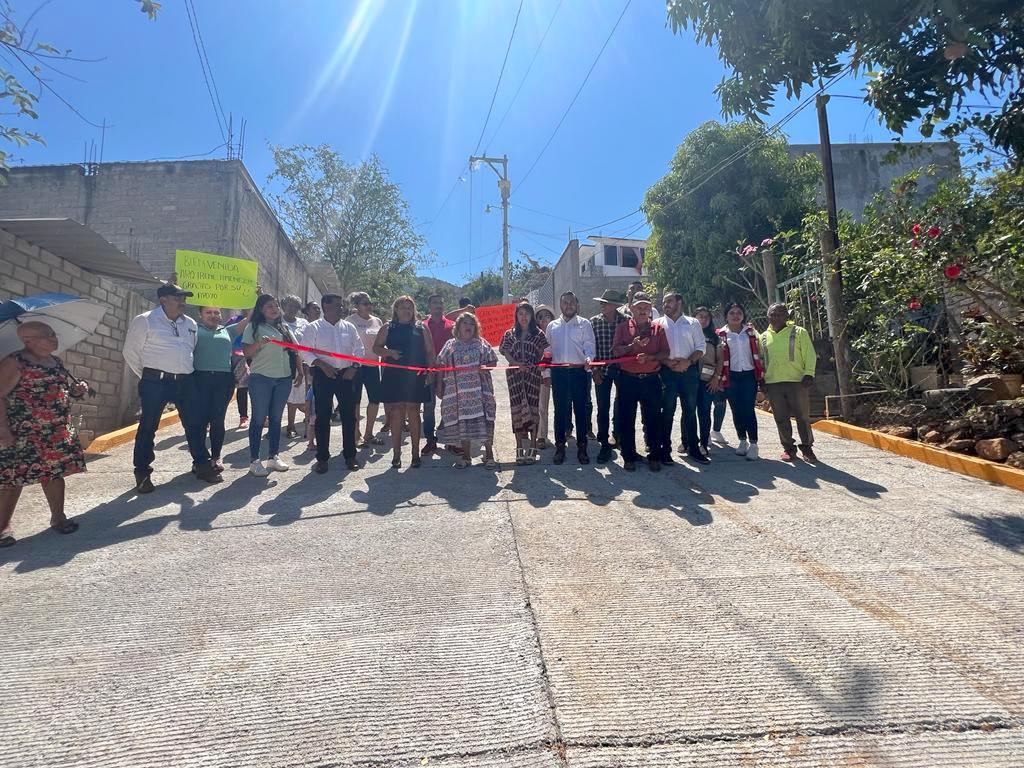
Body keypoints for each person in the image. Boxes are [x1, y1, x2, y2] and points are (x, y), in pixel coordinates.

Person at [0, 322, 87, 546]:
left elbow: (61, 390)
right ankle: (1, 527)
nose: (53, 338)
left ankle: (59, 518)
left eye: (53, 333)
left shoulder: (55, 361)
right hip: (24, 432)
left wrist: (76, 391)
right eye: (46, 335)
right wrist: (2, 429)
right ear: (28, 340)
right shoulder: (15, 362)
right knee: (13, 478)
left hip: (55, 431)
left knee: (54, 474)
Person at [124, 282, 215, 492]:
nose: (182, 302)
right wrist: (149, 376)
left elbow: (190, 349)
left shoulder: (190, 323)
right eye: (177, 298)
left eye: (184, 298)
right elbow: (130, 352)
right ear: (163, 300)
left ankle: (202, 464)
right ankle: (142, 472)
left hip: (185, 380)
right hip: (155, 382)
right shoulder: (145, 320)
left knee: (195, 424)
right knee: (148, 426)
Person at [241, 294, 303, 476]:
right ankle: (254, 461)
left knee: (276, 419)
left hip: (283, 378)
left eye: (275, 305)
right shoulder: (253, 327)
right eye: (269, 306)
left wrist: (300, 371)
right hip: (262, 378)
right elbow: (246, 352)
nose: (274, 309)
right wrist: (259, 343)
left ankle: (273, 457)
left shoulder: (284, 328)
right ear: (261, 309)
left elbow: (296, 350)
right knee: (259, 419)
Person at [300, 294, 363, 474]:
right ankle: (322, 458)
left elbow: (359, 349)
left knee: (349, 416)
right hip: (323, 374)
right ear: (326, 306)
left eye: (342, 305)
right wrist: (320, 364)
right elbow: (304, 351)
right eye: (338, 305)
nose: (342, 308)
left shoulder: (349, 327)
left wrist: (354, 367)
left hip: (346, 375)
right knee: (322, 416)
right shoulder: (313, 327)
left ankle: (350, 455)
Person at [373, 296, 436, 468]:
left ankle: (415, 454)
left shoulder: (421, 327)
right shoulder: (388, 327)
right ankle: (396, 454)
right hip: (394, 375)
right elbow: (376, 348)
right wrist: (390, 353)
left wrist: (430, 372)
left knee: (414, 412)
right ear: (396, 310)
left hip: (416, 376)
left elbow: (430, 352)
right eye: (403, 308)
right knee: (396, 412)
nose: (407, 311)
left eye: (410, 308)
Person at [188, 306, 250, 475]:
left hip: (223, 381)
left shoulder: (228, 331)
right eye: (208, 312)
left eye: (216, 312)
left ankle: (216, 457)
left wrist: (255, 298)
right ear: (200, 314)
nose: (213, 315)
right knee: (200, 422)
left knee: (217, 420)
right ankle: (199, 460)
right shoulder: (193, 330)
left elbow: (250, 319)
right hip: (200, 379)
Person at [611, 294, 670, 471]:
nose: (643, 310)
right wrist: (632, 347)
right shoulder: (622, 328)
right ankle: (628, 456)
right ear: (631, 309)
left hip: (651, 379)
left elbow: (665, 353)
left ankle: (654, 455)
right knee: (626, 418)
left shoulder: (658, 329)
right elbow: (616, 352)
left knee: (653, 419)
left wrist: (649, 357)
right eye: (639, 307)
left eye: (646, 307)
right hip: (628, 379)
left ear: (650, 309)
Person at [436, 312, 498, 469]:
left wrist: (486, 367)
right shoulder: (450, 345)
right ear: (458, 327)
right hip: (458, 395)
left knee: (485, 422)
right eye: (465, 323)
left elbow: (493, 361)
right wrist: (439, 385)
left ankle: (489, 455)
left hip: (480, 393)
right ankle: (466, 456)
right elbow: (440, 363)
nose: (468, 326)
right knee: (462, 423)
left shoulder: (481, 343)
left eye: (471, 323)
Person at [655, 291, 709, 465]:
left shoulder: (692, 323)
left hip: (689, 372)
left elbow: (701, 347)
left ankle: (693, 448)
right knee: (667, 410)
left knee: (690, 411)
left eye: (669, 301)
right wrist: (667, 362)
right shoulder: (657, 324)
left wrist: (688, 361)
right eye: (664, 302)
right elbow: (654, 350)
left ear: (679, 302)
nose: (665, 305)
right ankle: (665, 450)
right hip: (667, 372)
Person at [761, 302, 817, 462]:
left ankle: (807, 448)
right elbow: (761, 360)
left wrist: (809, 374)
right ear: (768, 317)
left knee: (802, 417)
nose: (776, 317)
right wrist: (762, 379)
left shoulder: (799, 332)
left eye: (779, 314)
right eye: (772, 315)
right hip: (773, 383)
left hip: (797, 382)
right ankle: (788, 448)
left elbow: (810, 354)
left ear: (787, 315)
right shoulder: (763, 337)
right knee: (780, 417)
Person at [545, 291, 596, 465]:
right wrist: (545, 370)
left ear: (577, 304)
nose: (569, 305)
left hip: (579, 372)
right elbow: (547, 350)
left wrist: (589, 358)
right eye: (565, 302)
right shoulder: (552, 326)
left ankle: (582, 447)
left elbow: (589, 346)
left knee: (580, 410)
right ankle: (560, 447)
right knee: (560, 411)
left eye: (572, 302)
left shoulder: (585, 324)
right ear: (560, 305)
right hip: (559, 373)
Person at [499, 303, 549, 464]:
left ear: (531, 316)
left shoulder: (538, 334)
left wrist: (535, 364)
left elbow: (543, 352)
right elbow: (505, 351)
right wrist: (516, 363)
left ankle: (533, 445)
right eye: (520, 313)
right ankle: (519, 446)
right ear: (516, 316)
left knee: (533, 409)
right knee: (517, 410)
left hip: (532, 375)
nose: (524, 317)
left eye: (527, 313)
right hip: (514, 376)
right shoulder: (509, 334)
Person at [718, 302, 764, 461]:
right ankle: (742, 440)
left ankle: (754, 443)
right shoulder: (721, 334)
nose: (735, 315)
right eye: (732, 313)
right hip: (731, 376)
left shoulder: (751, 332)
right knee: (736, 409)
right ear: (726, 316)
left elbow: (761, 352)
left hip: (749, 375)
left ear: (743, 315)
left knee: (748, 409)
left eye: (739, 312)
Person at [589, 289, 626, 463]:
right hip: (601, 371)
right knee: (603, 407)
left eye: (605, 302)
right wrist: (594, 371)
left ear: (615, 305)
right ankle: (604, 443)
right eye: (601, 302)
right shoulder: (594, 322)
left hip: (622, 371)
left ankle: (618, 436)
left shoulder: (626, 321)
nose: (602, 305)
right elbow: (590, 348)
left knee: (622, 405)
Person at [347, 291, 386, 446]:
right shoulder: (350, 321)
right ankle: (356, 434)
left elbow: (382, 342)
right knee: (355, 401)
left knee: (375, 400)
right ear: (357, 305)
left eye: (370, 303)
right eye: (365, 303)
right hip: (355, 366)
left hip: (373, 366)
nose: (369, 306)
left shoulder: (377, 321)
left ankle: (369, 433)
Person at [422, 293, 455, 455]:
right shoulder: (421, 326)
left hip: (448, 373)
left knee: (449, 405)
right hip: (427, 371)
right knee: (428, 407)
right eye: (435, 303)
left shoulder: (452, 326)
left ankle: (451, 440)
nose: (438, 305)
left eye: (441, 303)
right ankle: (430, 440)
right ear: (429, 306)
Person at [694, 307, 725, 457]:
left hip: (707, 380)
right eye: (701, 316)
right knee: (688, 411)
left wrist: (716, 378)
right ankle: (687, 441)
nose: (704, 319)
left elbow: (720, 360)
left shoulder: (715, 338)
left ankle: (704, 443)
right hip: (690, 380)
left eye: (707, 317)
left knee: (704, 412)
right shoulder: (688, 334)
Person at [280, 295, 310, 439]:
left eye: (295, 306)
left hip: (301, 364)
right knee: (280, 398)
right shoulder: (278, 321)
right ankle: (276, 426)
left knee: (296, 396)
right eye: (289, 305)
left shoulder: (304, 323)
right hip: (281, 363)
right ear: (283, 306)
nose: (292, 308)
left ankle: (292, 426)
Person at [534, 305, 556, 449]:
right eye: (540, 317)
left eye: (547, 316)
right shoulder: (533, 334)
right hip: (533, 374)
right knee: (533, 406)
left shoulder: (555, 334)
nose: (543, 319)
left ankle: (542, 436)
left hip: (548, 374)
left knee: (543, 406)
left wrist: (547, 373)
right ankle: (533, 433)